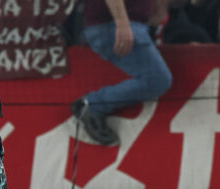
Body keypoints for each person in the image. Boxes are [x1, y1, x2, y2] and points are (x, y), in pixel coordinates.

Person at [72, 0, 172, 146]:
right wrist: (122, 23)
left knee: (156, 77)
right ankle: (92, 104)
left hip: (126, 24)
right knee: (157, 78)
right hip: (114, 25)